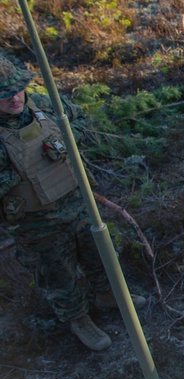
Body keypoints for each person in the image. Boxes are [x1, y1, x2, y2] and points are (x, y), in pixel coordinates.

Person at [0, 55, 145, 352]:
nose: (15, 98)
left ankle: (107, 294)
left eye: (17, 89)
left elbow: (79, 120)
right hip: (37, 223)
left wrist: (65, 143)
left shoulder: (44, 104)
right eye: (4, 94)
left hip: (77, 202)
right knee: (58, 274)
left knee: (98, 253)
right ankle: (79, 320)